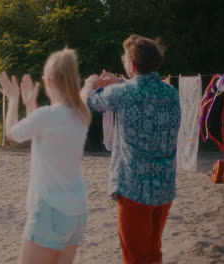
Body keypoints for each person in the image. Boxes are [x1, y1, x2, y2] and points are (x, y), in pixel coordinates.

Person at [81, 34, 181, 264]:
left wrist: (91, 81)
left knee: (135, 257)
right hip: (164, 189)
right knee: (153, 253)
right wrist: (121, 82)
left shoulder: (124, 94)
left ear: (132, 64)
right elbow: (143, 92)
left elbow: (89, 100)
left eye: (125, 57)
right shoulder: (171, 93)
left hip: (134, 190)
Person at [0, 48, 91, 264]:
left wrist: (13, 100)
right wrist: (30, 105)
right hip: (76, 212)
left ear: (48, 81)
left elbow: (13, 133)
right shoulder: (80, 115)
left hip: (49, 211)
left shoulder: (49, 116)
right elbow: (43, 135)